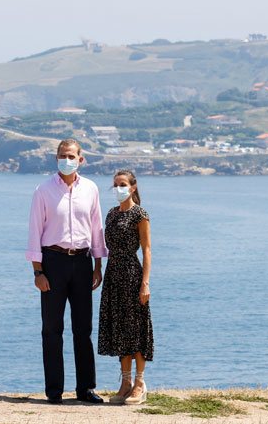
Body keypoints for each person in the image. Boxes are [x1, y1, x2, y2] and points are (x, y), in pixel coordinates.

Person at [26, 138, 108, 405]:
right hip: (53, 262)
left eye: (71, 155)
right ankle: (54, 391)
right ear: (56, 158)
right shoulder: (43, 190)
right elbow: (34, 232)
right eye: (62, 155)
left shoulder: (92, 189)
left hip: (83, 263)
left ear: (81, 159)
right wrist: (38, 272)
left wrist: (98, 265)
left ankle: (86, 389)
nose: (67, 159)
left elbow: (96, 229)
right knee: (52, 329)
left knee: (83, 328)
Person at [97, 169, 153, 405]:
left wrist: (145, 283)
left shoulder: (140, 214)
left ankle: (140, 383)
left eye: (123, 184)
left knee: (135, 327)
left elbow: (147, 249)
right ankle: (125, 382)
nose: (118, 188)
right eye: (115, 184)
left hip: (131, 273)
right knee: (119, 328)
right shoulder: (111, 214)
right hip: (113, 274)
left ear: (133, 187)